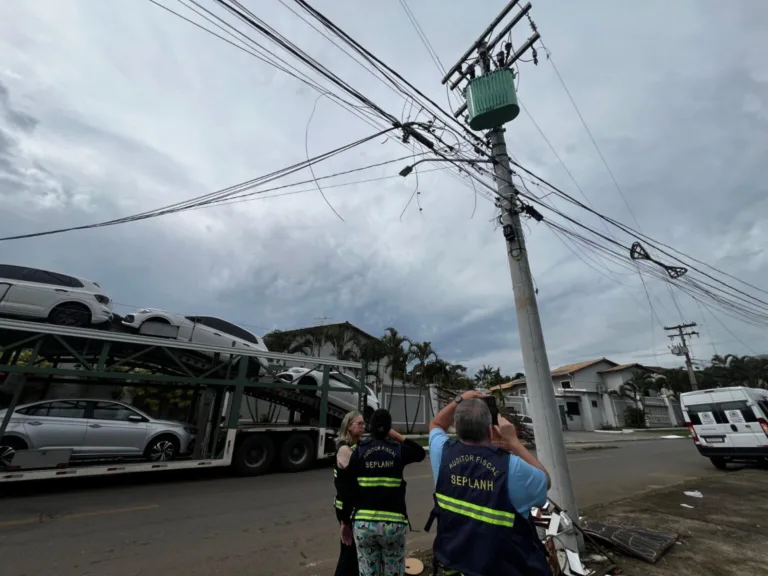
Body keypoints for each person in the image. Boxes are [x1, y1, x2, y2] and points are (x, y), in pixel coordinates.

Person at [426, 390, 552, 576]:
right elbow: (545, 481)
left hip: (455, 563)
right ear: (489, 429)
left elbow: (436, 423)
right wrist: (514, 442)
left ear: (456, 428)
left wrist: (461, 398)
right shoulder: (513, 467)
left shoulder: (442, 454)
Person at [340, 408, 426, 576]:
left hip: (364, 524)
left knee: (367, 572)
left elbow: (348, 489)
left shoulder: (359, 451)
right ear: (388, 428)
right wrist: (397, 436)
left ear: (370, 427)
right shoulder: (398, 450)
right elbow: (420, 453)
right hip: (393, 525)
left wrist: (345, 522)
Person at [334, 411, 366, 576]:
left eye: (363, 424)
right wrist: (345, 521)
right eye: (359, 424)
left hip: (354, 507)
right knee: (348, 553)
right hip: (346, 508)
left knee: (355, 553)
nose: (363, 427)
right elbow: (348, 487)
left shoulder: (357, 446)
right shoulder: (344, 450)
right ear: (348, 426)